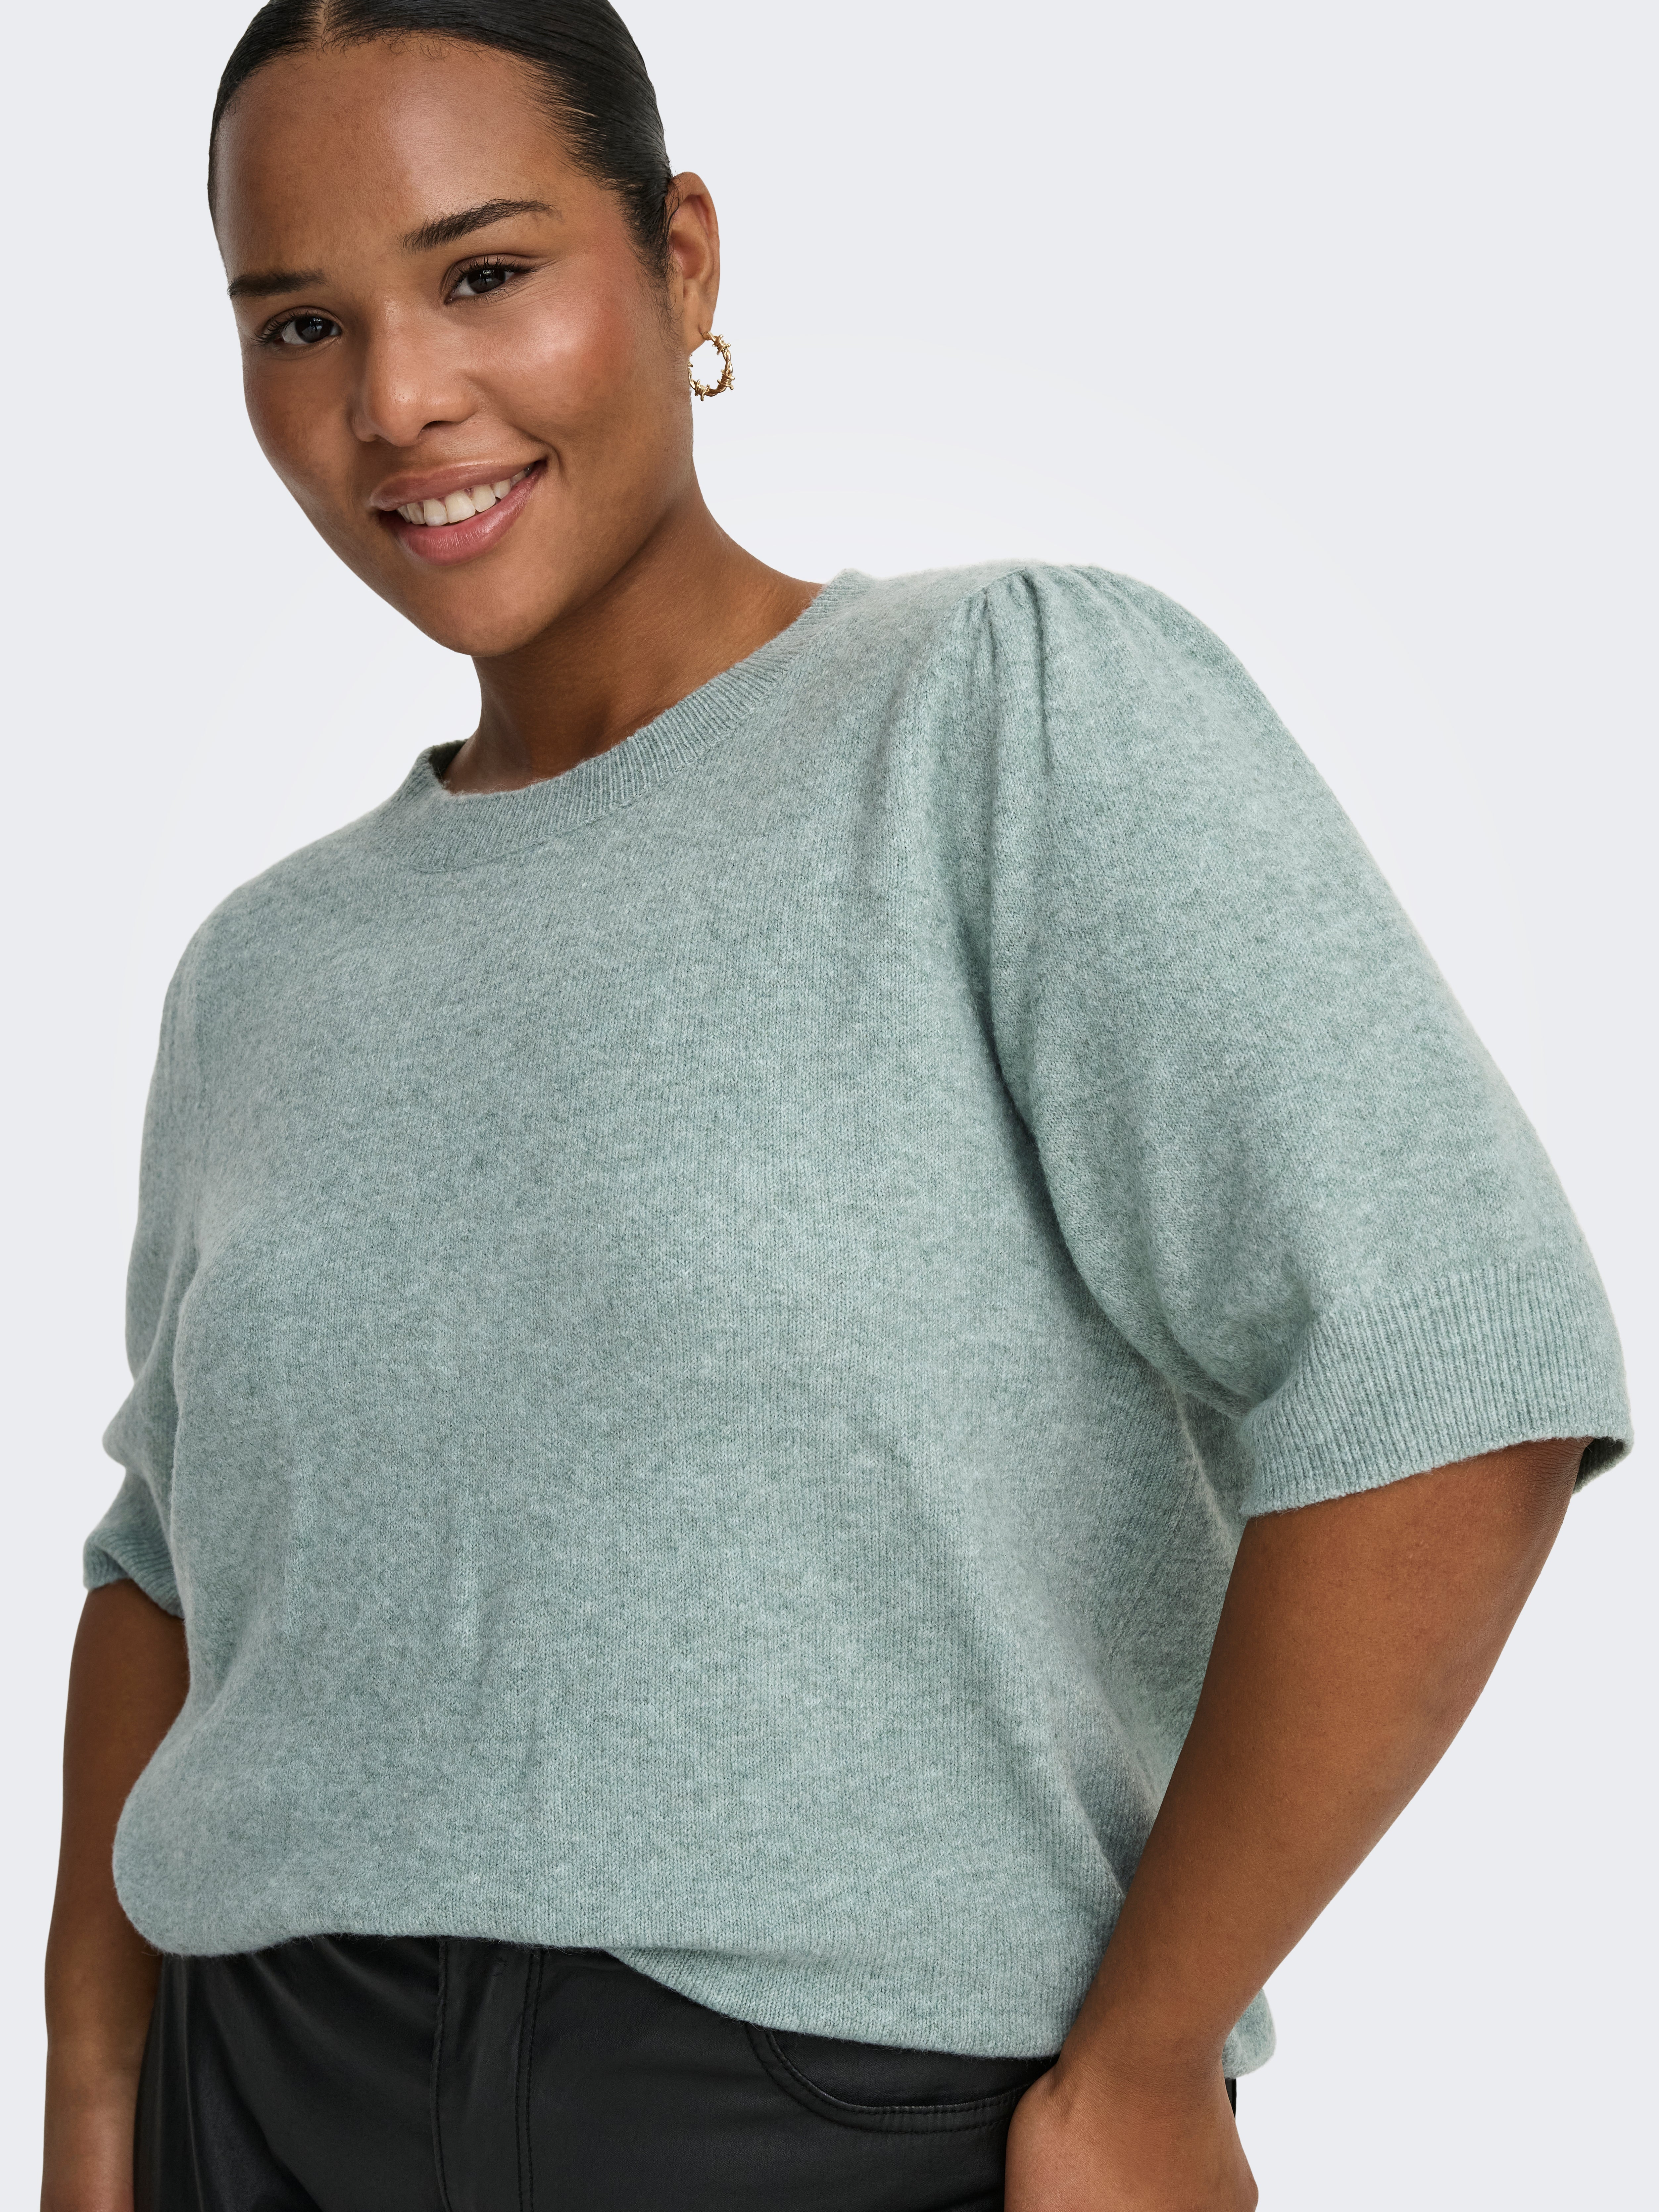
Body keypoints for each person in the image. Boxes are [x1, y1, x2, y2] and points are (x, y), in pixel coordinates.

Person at [41, 3, 1631, 2208]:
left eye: (483, 272)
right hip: (263, 2102)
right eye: (299, 322)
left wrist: (1147, 2059)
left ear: (679, 257)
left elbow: (1451, 1371)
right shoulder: (267, 966)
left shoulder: (998, 717)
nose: (394, 399)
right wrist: (96, 2095)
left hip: (833, 2127)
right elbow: (162, 1562)